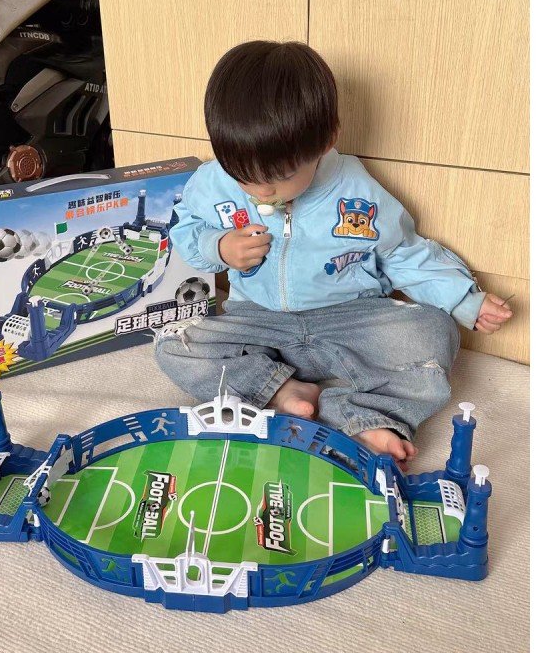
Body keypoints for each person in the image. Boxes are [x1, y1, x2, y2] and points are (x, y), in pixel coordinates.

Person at [155, 41, 512, 470]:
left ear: (326, 141)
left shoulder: (357, 191)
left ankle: (365, 416)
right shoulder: (211, 182)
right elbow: (187, 228)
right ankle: (282, 391)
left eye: (281, 176)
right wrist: (219, 246)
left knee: (433, 333)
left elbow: (402, 252)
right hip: (260, 321)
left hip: (350, 321)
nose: (261, 191)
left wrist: (464, 299)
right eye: (243, 176)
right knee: (172, 343)